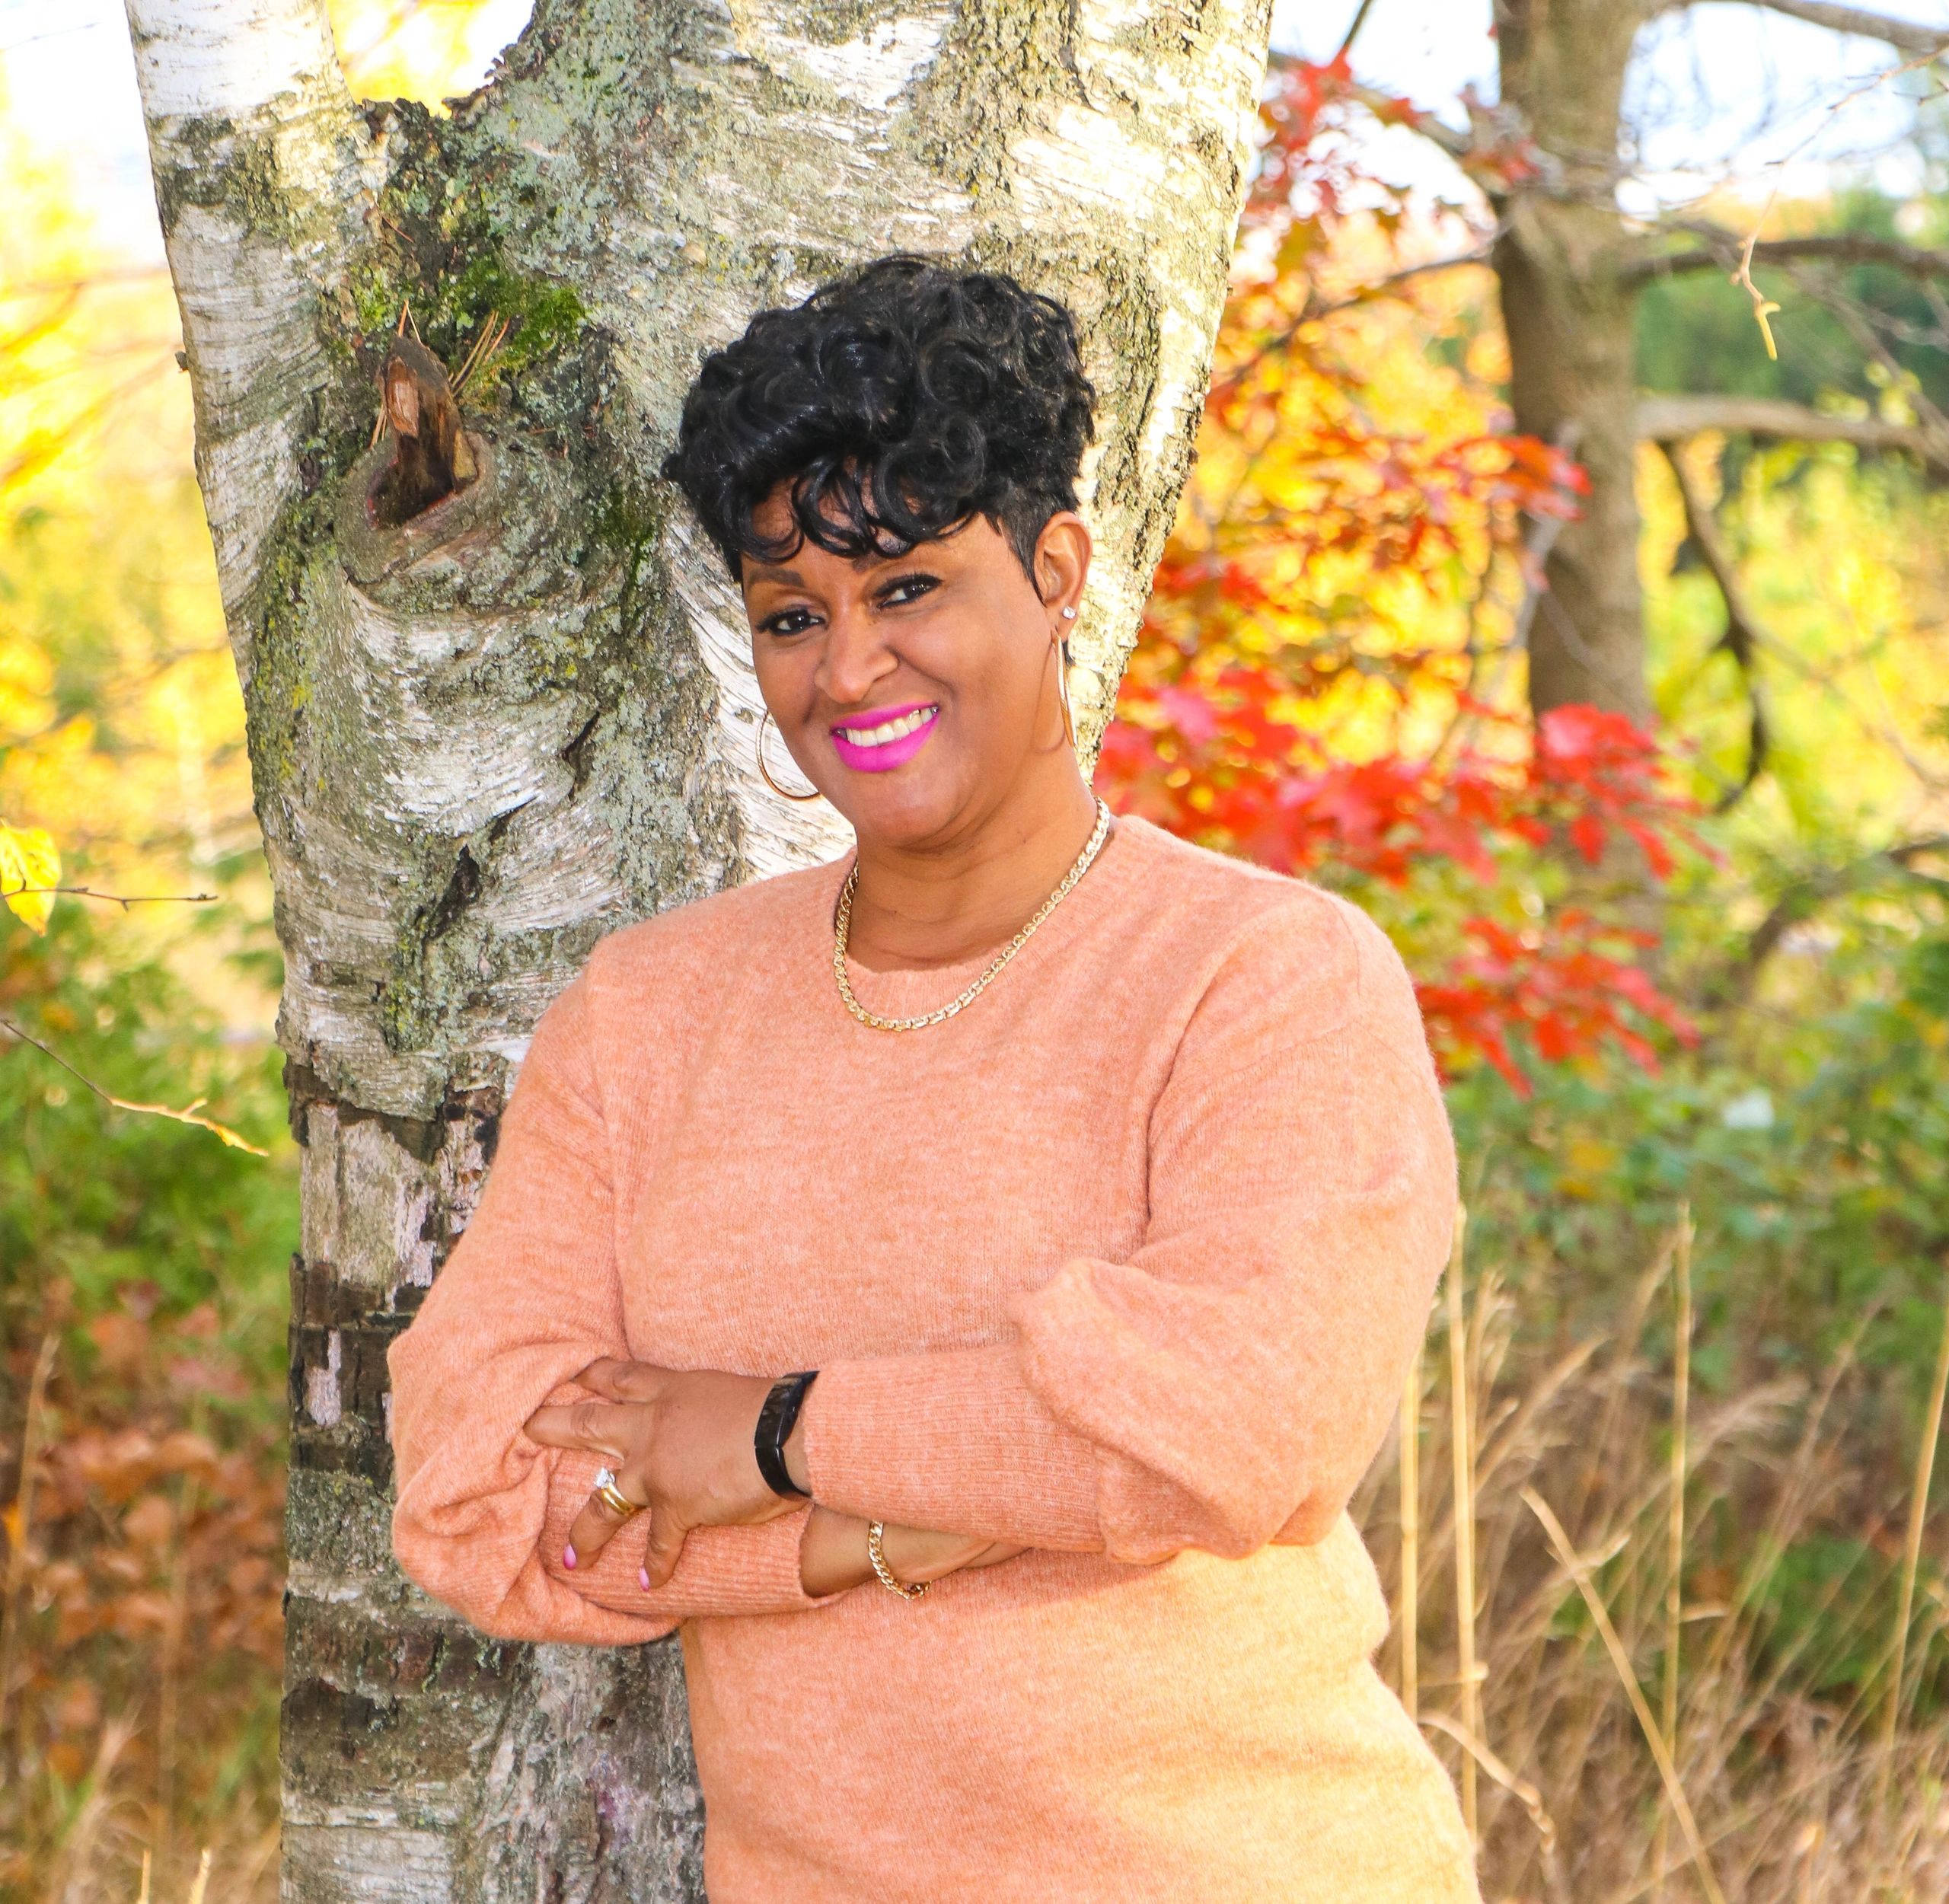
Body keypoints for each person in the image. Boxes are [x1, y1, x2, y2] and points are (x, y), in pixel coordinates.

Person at [387, 257, 1478, 1903]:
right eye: (790, 616)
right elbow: (473, 1496)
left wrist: (756, 1434)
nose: (847, 671)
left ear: (1054, 574)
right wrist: (881, 1529)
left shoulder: (1259, 976)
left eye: (906, 587)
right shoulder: (652, 1014)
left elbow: (1235, 1431)